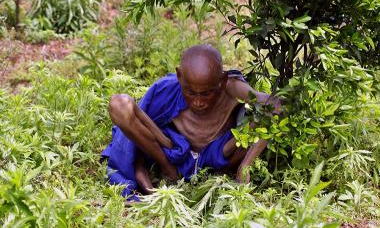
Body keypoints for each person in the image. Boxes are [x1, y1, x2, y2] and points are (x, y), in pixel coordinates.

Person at [101, 44, 280, 198]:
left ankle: (220, 173)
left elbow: (277, 107)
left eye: (207, 93)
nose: (198, 102)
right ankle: (166, 173)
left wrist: (245, 165)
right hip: (173, 152)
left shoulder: (232, 86)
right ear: (180, 76)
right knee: (119, 105)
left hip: (220, 156)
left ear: (222, 80)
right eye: (191, 92)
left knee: (260, 118)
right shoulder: (168, 88)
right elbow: (132, 123)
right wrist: (164, 164)